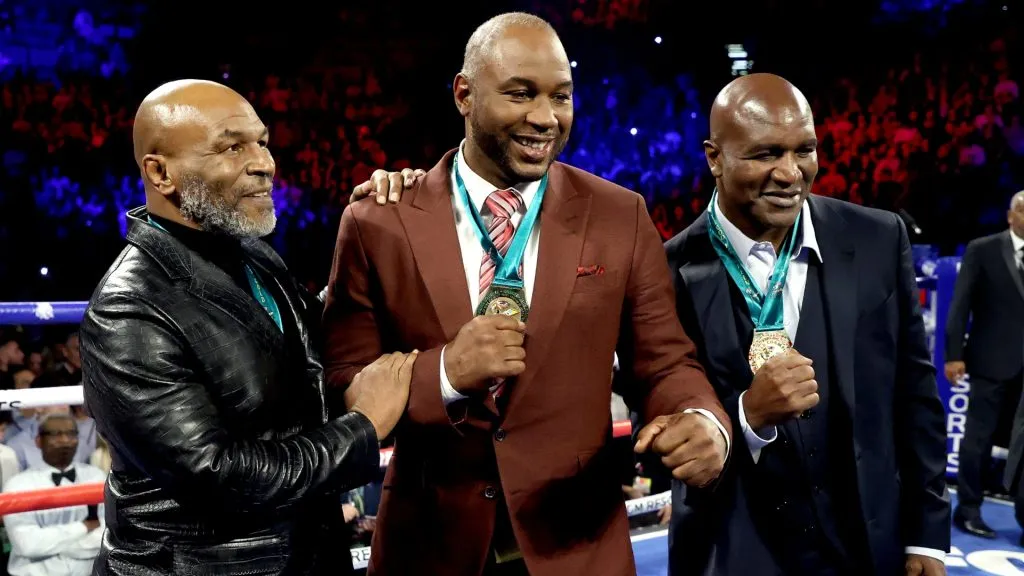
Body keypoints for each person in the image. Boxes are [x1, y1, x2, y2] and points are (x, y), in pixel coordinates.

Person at [323, 12, 731, 576]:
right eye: (521, 94)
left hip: (578, 548)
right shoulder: (379, 222)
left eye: (561, 97)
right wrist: (444, 373)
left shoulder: (619, 215)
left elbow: (664, 362)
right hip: (430, 550)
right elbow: (342, 384)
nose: (545, 118)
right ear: (464, 95)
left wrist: (700, 417)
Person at [79, 79, 418, 576]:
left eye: (261, 141)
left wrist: (375, 237)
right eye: (232, 146)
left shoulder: (247, 250)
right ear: (160, 172)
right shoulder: (128, 310)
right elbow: (221, 477)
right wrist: (362, 427)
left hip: (298, 554)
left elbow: (300, 343)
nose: (263, 162)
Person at [662, 73, 949, 576]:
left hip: (867, 541)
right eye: (765, 154)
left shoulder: (879, 237)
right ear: (714, 158)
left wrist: (927, 536)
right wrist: (747, 417)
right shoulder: (666, 271)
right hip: (734, 547)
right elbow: (662, 427)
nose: (791, 173)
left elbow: (915, 392)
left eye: (805, 150)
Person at [950, 190, 1024, 539]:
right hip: (990, 361)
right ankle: (967, 510)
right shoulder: (984, 249)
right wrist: (953, 354)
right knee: (977, 440)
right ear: (1011, 215)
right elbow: (960, 304)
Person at [2, 413, 107, 576]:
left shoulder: (97, 478)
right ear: (38, 441)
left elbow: (106, 536)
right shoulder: (17, 485)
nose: (65, 440)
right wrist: (84, 526)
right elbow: (27, 544)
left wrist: (54, 545)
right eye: (55, 434)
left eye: (71, 433)